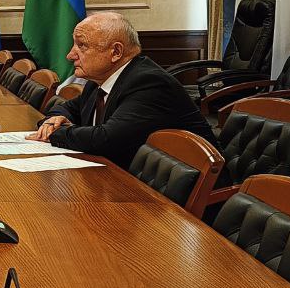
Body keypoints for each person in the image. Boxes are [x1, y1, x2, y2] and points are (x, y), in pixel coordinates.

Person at [27, 11, 217, 169]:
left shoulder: (149, 83)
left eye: (82, 45)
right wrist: (53, 121)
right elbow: (67, 108)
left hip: (185, 196)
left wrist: (55, 133)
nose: (70, 55)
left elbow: (106, 139)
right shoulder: (98, 81)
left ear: (116, 52)